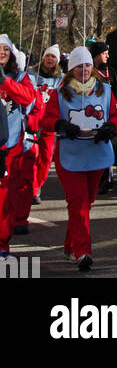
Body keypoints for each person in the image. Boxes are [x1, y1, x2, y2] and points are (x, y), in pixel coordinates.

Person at [40, 45, 117, 271]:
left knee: (87, 202)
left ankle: (70, 245)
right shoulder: (60, 92)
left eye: (87, 65)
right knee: (78, 204)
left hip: (97, 154)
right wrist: (61, 125)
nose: (84, 70)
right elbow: (46, 121)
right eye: (79, 66)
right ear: (71, 69)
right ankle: (83, 251)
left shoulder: (104, 89)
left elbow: (116, 116)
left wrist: (110, 127)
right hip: (71, 156)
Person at [0, 35, 37, 260]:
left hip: (10, 146)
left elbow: (28, 98)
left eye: (5, 49)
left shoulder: (21, 77)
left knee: (5, 200)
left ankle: (3, 247)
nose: (2, 52)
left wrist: (5, 82)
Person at [29, 43, 64, 203]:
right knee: (31, 156)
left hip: (49, 123)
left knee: (46, 157)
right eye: (48, 56)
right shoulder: (31, 74)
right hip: (32, 122)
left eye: (53, 57)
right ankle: (32, 188)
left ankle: (37, 186)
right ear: (43, 58)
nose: (50, 59)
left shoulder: (61, 78)